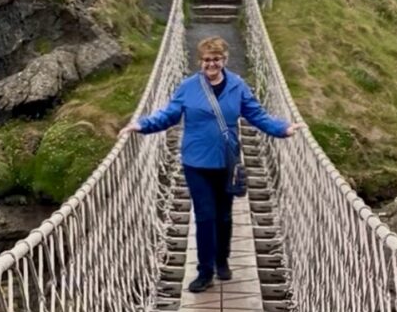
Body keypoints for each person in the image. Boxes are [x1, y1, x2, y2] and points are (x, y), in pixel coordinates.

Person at [123, 37, 304, 293]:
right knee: (205, 216)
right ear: (200, 61)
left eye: (216, 59)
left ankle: (222, 260)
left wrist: (283, 128)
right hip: (196, 162)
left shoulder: (238, 86)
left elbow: (257, 115)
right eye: (207, 60)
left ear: (224, 60)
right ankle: (205, 272)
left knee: (224, 216)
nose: (211, 64)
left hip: (225, 162)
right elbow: (169, 115)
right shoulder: (188, 87)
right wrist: (141, 125)